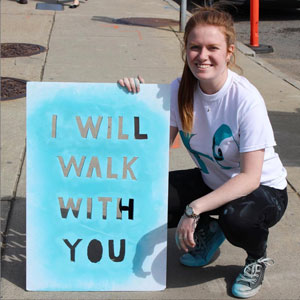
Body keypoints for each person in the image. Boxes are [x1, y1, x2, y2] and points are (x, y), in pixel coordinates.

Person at [118, 6, 288, 299]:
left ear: (229, 52)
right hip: (214, 183)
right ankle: (212, 226)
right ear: (185, 50)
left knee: (238, 219)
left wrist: (193, 209)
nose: (202, 55)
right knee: (142, 198)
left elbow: (249, 178)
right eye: (195, 47)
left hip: (263, 190)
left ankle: (255, 257)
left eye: (213, 47)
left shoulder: (246, 100)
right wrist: (138, 104)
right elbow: (154, 152)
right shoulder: (178, 90)